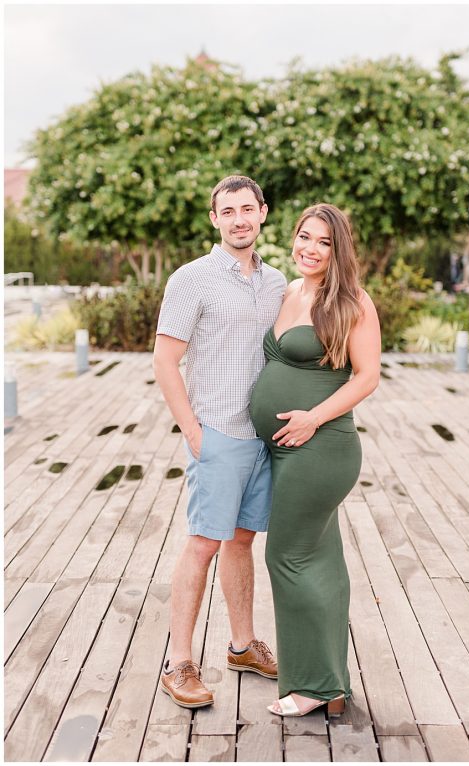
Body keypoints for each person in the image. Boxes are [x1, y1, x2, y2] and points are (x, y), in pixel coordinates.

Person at [153, 175, 287, 708]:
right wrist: (193, 432)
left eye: (247, 209)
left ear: (263, 213)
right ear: (215, 219)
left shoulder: (277, 281)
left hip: (264, 439)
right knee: (204, 543)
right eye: (227, 211)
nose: (239, 219)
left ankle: (240, 645)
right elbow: (165, 360)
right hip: (218, 435)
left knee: (242, 540)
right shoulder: (193, 279)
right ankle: (179, 662)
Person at [250, 203, 381, 717]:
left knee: (286, 557)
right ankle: (331, 685)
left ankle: (308, 687)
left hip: (320, 449)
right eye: (304, 237)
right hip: (283, 451)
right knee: (322, 561)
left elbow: (367, 376)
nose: (310, 248)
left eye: (323, 242)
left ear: (338, 250)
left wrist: (312, 418)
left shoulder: (352, 302)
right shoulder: (287, 292)